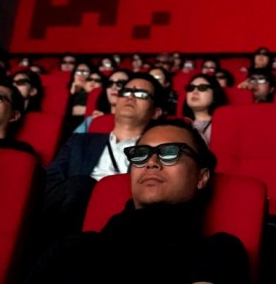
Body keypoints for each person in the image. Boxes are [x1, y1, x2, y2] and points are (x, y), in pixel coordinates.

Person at [27, 116, 248, 283]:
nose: (151, 162)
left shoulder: (219, 251)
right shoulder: (74, 247)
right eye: (141, 153)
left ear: (202, 177)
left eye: (170, 152)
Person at [42, 74, 163, 243]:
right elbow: (50, 185)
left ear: (156, 112)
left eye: (141, 94)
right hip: (66, 224)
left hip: (123, 228)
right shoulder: (80, 141)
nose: (131, 97)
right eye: (126, 91)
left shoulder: (156, 153)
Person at [181, 74, 227, 145]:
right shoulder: (180, 124)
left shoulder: (224, 125)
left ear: (214, 95)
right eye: (191, 87)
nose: (195, 92)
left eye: (202, 87)